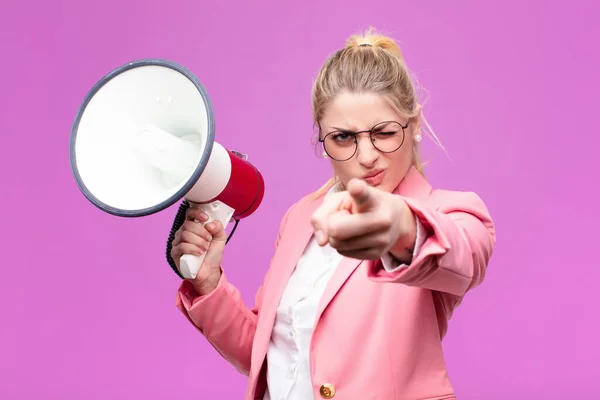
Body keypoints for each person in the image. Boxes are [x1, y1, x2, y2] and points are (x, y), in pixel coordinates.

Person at [167, 28, 496, 400]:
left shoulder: (451, 212)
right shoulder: (299, 219)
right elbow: (271, 358)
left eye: (384, 133)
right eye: (343, 137)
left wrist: (400, 227)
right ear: (322, 141)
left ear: (414, 125)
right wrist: (209, 283)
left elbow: (463, 255)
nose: (367, 155)